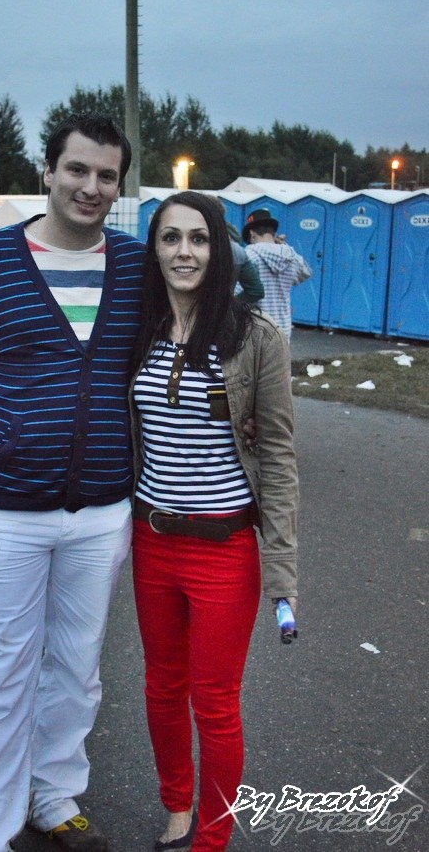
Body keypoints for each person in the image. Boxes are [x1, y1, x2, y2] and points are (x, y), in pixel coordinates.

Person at [0, 115, 145, 852]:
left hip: (102, 509)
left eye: (106, 175)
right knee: (3, 675)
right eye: (77, 169)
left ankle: (53, 795)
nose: (91, 187)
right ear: (48, 171)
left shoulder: (136, 265)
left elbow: (198, 328)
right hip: (4, 509)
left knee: (77, 670)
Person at [130, 191, 299, 851]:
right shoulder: (135, 327)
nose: (184, 252)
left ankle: (212, 835)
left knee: (216, 702)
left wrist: (282, 570)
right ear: (154, 249)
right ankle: (177, 805)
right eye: (170, 238)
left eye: (198, 239)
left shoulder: (255, 338)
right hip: (152, 539)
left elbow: (278, 458)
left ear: (219, 250)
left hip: (224, 548)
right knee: (161, 687)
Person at [242, 208, 311, 340]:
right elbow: (306, 273)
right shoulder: (290, 255)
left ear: (251, 233)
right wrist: (283, 246)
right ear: (273, 233)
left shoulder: (248, 255)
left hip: (255, 331)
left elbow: (238, 294)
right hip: (283, 330)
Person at [224, 218, 264, 305]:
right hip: (222, 310)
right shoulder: (239, 251)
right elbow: (256, 291)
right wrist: (229, 305)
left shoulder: (250, 253)